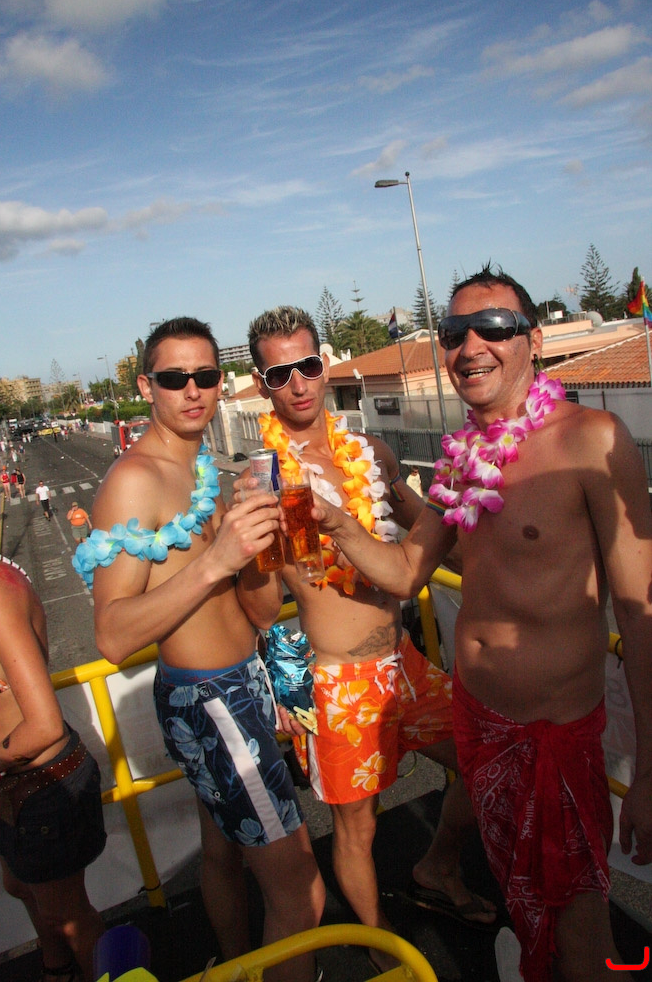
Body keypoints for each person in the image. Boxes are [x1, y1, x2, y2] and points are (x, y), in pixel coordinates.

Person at [312, 266, 652, 982]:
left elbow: (639, 610)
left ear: (533, 340)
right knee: (519, 895)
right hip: (478, 720)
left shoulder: (593, 440)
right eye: (453, 332)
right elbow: (406, 571)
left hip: (552, 739)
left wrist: (650, 769)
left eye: (492, 327)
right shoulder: (461, 455)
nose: (470, 346)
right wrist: (334, 522)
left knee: (579, 925)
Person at [246, 306, 495, 974]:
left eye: (307, 365)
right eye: (280, 373)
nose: (299, 383)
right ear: (261, 384)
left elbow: (429, 538)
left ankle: (437, 867)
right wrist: (250, 549)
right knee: (358, 827)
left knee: (481, 764)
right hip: (340, 684)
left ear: (323, 364)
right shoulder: (265, 480)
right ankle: (385, 950)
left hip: (405, 663)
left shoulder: (371, 454)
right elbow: (261, 607)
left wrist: (504, 566)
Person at [76, 317, 325, 982]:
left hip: (240, 682)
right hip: (212, 700)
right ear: (145, 387)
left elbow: (257, 611)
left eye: (205, 375)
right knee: (300, 893)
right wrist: (216, 559)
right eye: (174, 377)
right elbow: (112, 635)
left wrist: (262, 550)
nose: (192, 390)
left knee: (222, 855)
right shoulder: (134, 481)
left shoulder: (205, 469)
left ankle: (236, 964)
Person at [0, 470, 106, 982]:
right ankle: (56, 970)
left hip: (40, 785)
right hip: (7, 781)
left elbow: (44, 724)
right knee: (22, 888)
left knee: (69, 917)